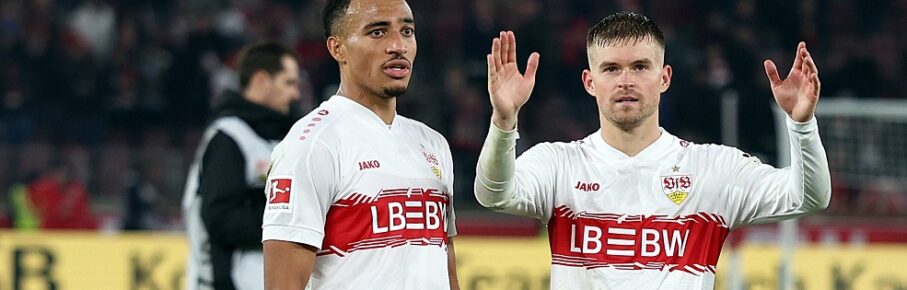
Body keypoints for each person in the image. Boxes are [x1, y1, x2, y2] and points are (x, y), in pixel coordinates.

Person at [475, 12, 830, 289]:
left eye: (640, 67)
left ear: (664, 78)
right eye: (611, 68)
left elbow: (808, 197)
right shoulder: (558, 164)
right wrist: (504, 121)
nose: (625, 81)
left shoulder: (712, 168)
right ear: (589, 82)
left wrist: (801, 125)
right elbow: (493, 194)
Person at [261, 0, 460, 289]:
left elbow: (445, 267)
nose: (398, 46)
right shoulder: (312, 145)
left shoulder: (433, 144)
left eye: (407, 31)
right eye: (378, 33)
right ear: (337, 48)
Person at [182, 42, 301, 290]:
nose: (295, 94)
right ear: (260, 80)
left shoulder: (282, 137)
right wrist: (288, 219)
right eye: (288, 83)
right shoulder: (229, 137)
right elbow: (218, 218)